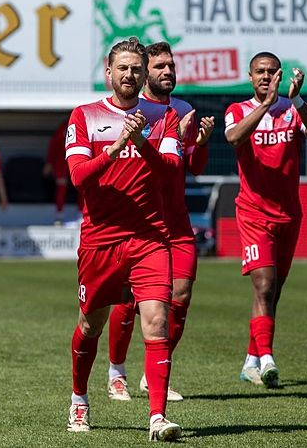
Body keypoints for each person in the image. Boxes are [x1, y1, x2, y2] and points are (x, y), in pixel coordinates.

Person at [64, 37, 183, 441]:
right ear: (108, 72)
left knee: (157, 321)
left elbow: (170, 172)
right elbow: (79, 176)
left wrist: (141, 142)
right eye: (123, 68)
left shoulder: (163, 117)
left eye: (136, 68)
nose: (130, 75)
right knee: (90, 325)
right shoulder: (84, 115)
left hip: (150, 237)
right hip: (101, 240)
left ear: (144, 73)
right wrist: (117, 146)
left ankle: (157, 417)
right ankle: (79, 399)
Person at [105, 41, 214, 403]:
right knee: (127, 299)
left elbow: (192, 168)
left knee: (181, 296)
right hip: (139, 221)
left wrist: (199, 143)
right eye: (160, 67)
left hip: (177, 222)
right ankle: (116, 372)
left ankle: (153, 376)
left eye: (171, 66)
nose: (168, 72)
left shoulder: (183, 110)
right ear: (144, 73)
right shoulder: (131, 112)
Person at [224, 52, 307, 388]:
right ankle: (268, 359)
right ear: (250, 76)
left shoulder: (292, 111)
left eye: (271, 72)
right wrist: (266, 105)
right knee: (264, 286)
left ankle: (251, 361)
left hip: (289, 214)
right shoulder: (238, 110)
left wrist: (296, 101)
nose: (265, 77)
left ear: (280, 75)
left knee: (273, 292)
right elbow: (234, 138)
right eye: (260, 72)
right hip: (253, 213)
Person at [43, 121, 70, 225]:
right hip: (61, 159)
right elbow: (54, 144)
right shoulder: (63, 127)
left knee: (84, 184)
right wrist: (49, 162)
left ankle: (81, 214)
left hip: (80, 157)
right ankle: (59, 216)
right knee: (61, 186)